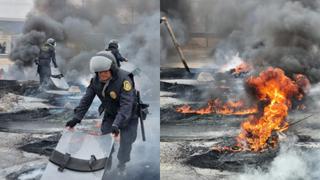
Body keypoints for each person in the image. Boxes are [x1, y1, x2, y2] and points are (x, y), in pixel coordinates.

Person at [65, 53, 138, 176]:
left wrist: (117, 123)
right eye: (99, 73)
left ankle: (122, 164)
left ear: (112, 69)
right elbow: (86, 100)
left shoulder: (124, 80)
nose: (102, 75)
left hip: (128, 116)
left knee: (126, 142)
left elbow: (127, 105)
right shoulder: (95, 81)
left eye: (105, 72)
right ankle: (107, 164)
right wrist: (76, 118)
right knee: (106, 139)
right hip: (110, 114)